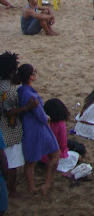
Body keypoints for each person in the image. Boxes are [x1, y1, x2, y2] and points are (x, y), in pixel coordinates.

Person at [17, 64, 60, 195]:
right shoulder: (31, 95)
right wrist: (46, 117)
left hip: (27, 127)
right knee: (55, 154)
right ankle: (46, 184)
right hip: (38, 128)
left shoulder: (20, 90)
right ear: (30, 76)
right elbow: (41, 117)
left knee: (30, 161)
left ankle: (31, 187)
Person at [0, 51, 35, 197]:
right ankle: (12, 189)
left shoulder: (3, 84)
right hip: (9, 130)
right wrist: (27, 107)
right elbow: (8, 111)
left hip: (5, 129)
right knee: (12, 162)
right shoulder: (7, 89)